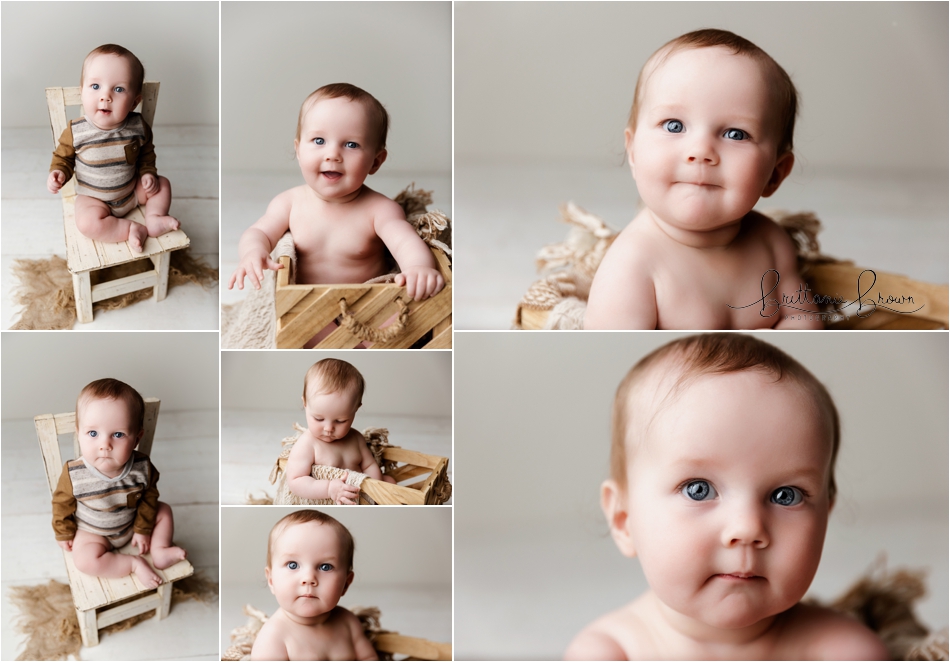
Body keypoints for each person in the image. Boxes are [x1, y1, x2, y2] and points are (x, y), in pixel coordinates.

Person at [565, 334, 887, 659]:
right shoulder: (610, 652)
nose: (747, 528)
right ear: (624, 520)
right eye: (699, 489)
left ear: (824, 520)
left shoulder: (843, 652)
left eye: (785, 495)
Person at [585, 30, 823, 330]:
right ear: (633, 152)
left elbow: (802, 318)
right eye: (674, 125)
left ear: (774, 174)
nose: (701, 152)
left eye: (735, 134)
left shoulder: (770, 242)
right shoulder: (631, 265)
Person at [52, 378, 186, 589]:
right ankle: (132, 564)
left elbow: (149, 497)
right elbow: (61, 504)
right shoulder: (74, 474)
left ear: (136, 438)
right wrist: (64, 531)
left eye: (118, 434)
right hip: (93, 532)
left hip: (131, 525)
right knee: (84, 561)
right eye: (93, 433)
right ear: (78, 433)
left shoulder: (142, 467)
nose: (105, 445)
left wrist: (142, 529)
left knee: (164, 511)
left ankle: (160, 550)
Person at [48, 44, 179, 253]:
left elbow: (147, 153)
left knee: (162, 184)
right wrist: (58, 172)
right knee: (86, 224)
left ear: (134, 102)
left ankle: (154, 219)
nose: (105, 96)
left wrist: (148, 173)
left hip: (131, 192)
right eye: (95, 86)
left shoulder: (138, 126)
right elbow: (63, 158)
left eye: (118, 89)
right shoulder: (76, 131)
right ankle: (130, 228)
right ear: (82, 92)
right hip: (95, 200)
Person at [252, 510, 377, 661]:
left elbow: (368, 658)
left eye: (325, 567)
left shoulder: (348, 622)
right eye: (292, 565)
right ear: (271, 580)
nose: (309, 579)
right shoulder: (273, 637)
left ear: (346, 583)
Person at [287, 358, 394, 505]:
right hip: (326, 498)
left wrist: (376, 487)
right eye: (319, 419)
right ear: (305, 403)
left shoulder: (356, 438)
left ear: (356, 408)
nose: (328, 428)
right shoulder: (307, 444)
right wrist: (329, 488)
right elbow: (295, 481)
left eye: (340, 421)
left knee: (390, 481)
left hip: (358, 495)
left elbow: (369, 465)